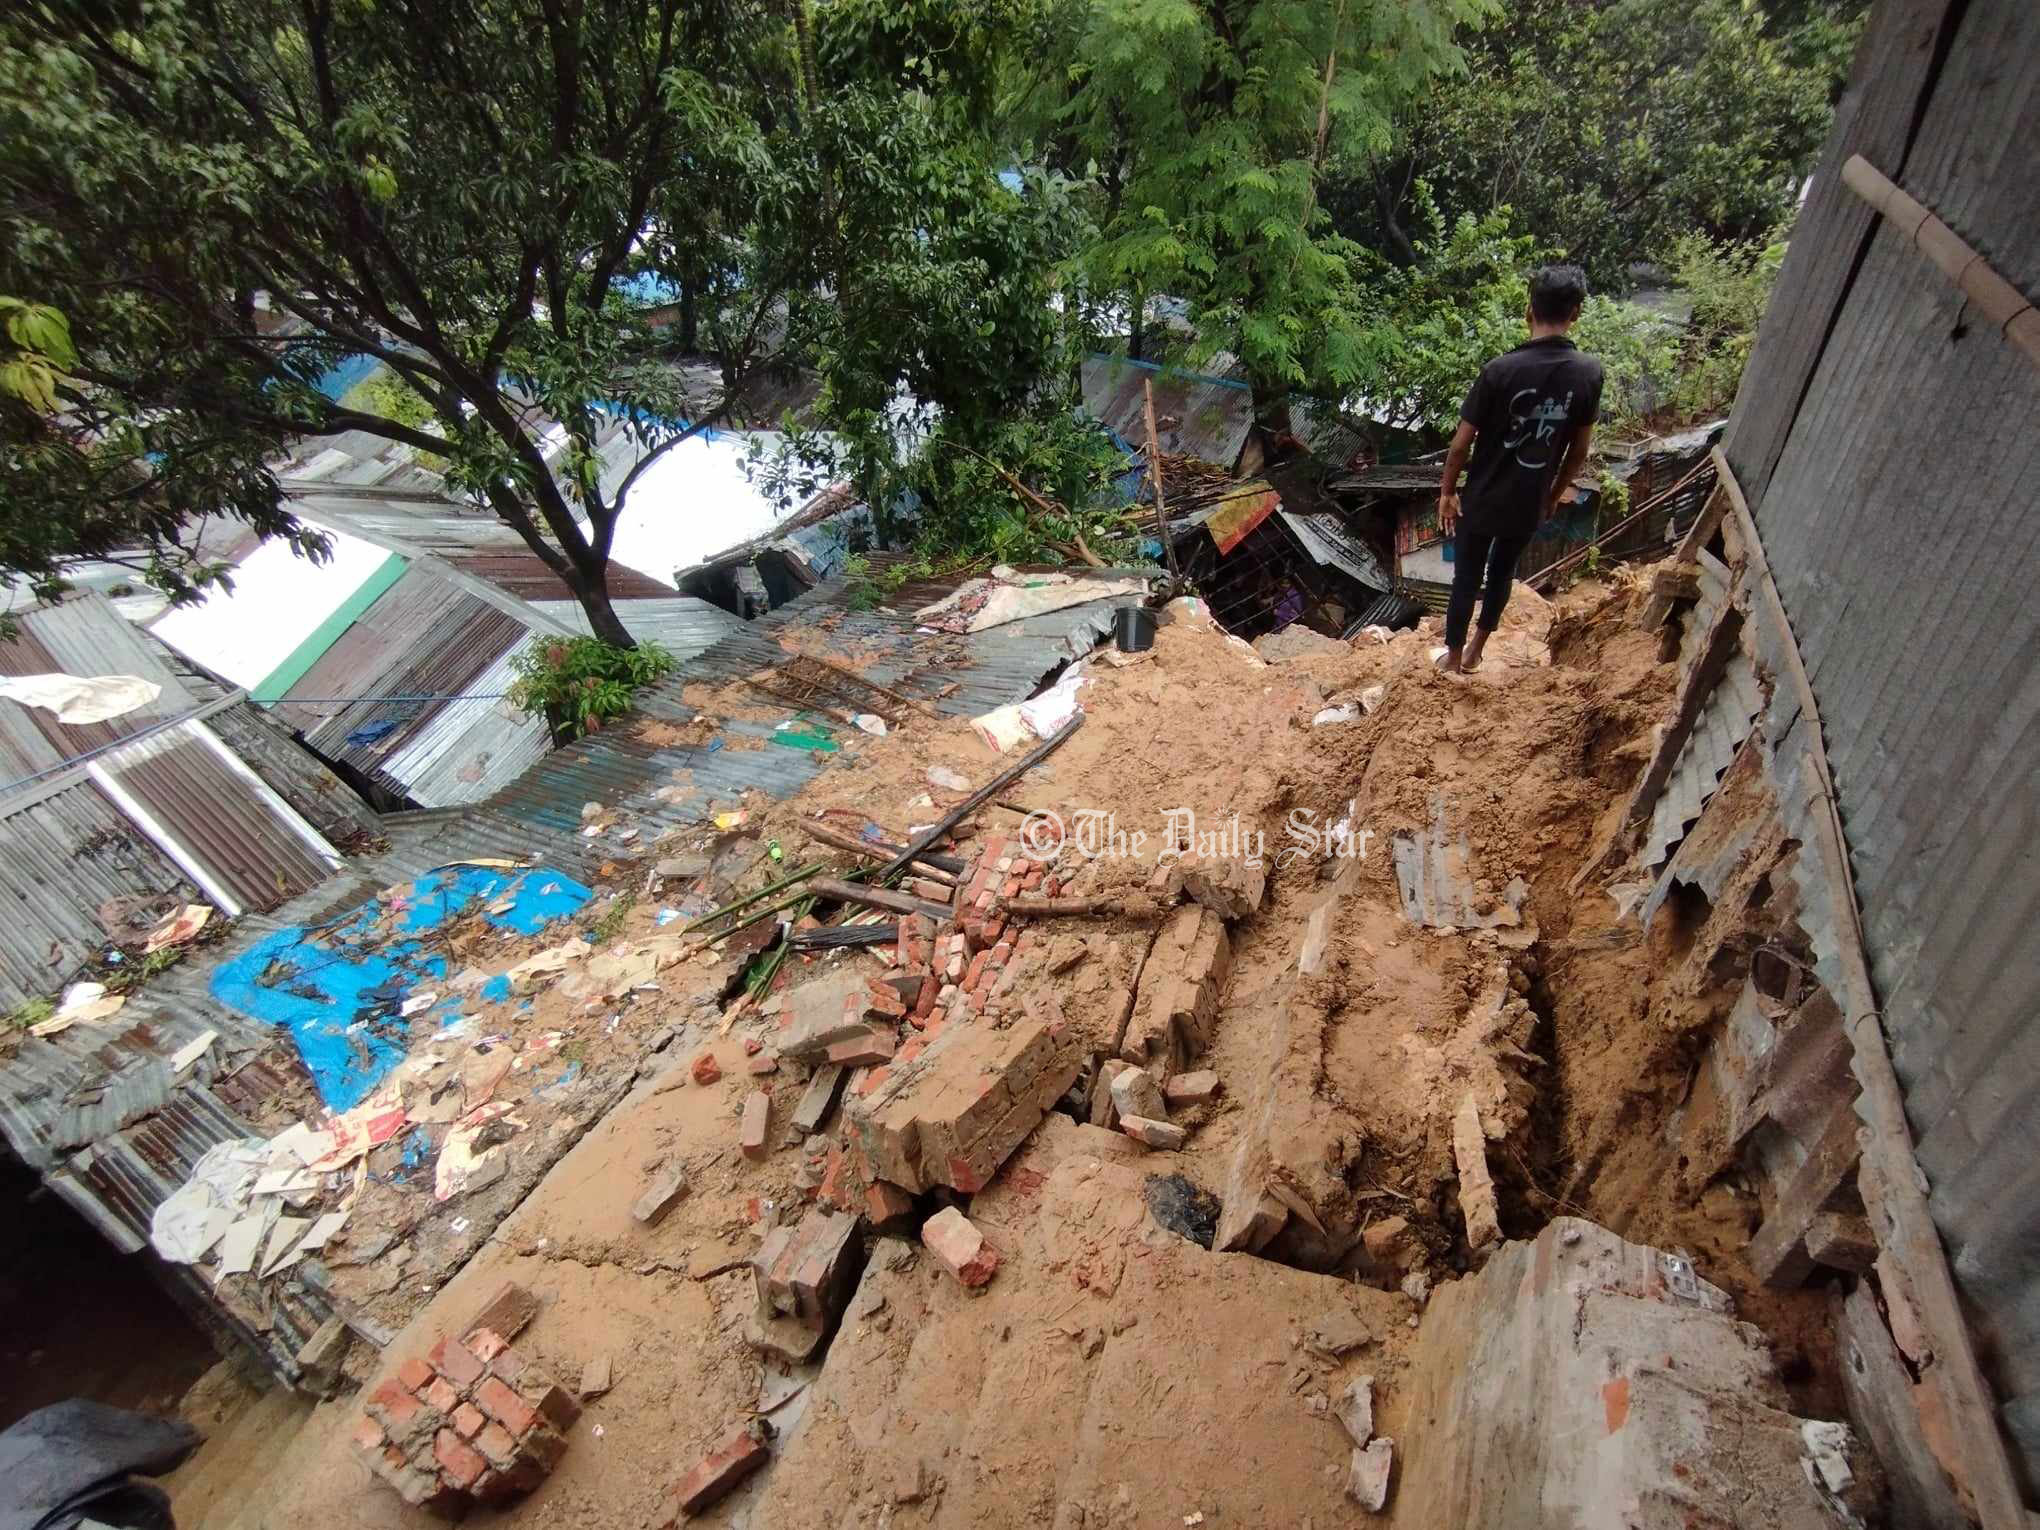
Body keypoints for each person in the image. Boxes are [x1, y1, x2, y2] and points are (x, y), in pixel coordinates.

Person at [1436, 264, 1604, 673]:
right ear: (1576, 313)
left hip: (1483, 497)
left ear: (1529, 310)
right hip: (1529, 500)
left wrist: (1446, 492)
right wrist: (1552, 494)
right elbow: (1579, 451)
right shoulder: (1589, 373)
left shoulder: (1499, 371)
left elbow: (1460, 445)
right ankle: (1477, 652)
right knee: (1503, 573)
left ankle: (1454, 658)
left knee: (1467, 577)